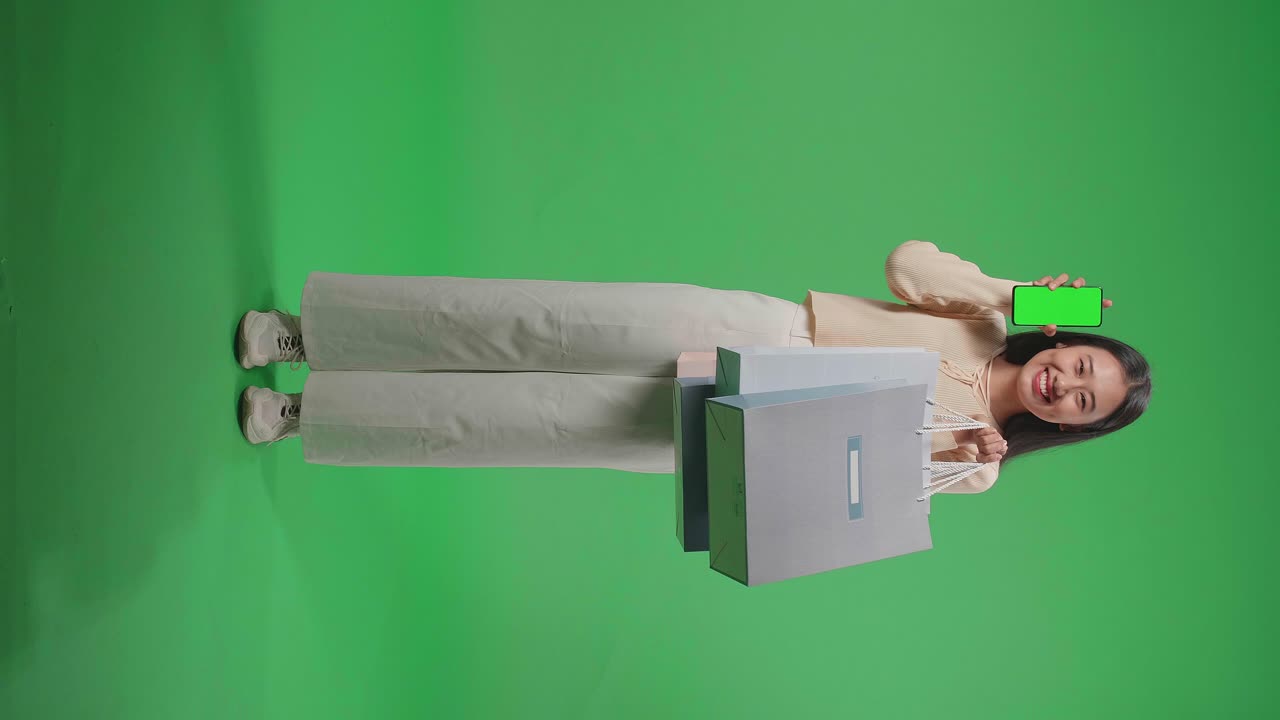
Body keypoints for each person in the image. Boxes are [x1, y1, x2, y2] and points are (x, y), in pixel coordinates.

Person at [235, 240, 1153, 493]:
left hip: (748, 429)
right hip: (757, 331)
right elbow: (907, 263)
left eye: (1083, 403)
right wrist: (1010, 291)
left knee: (530, 428)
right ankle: (310, 335)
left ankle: (310, 418)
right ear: (1062, 343)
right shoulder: (991, 322)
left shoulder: (980, 463)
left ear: (1073, 427)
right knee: (534, 324)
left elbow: (858, 482)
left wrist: (959, 452)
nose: (1066, 386)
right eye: (1079, 365)